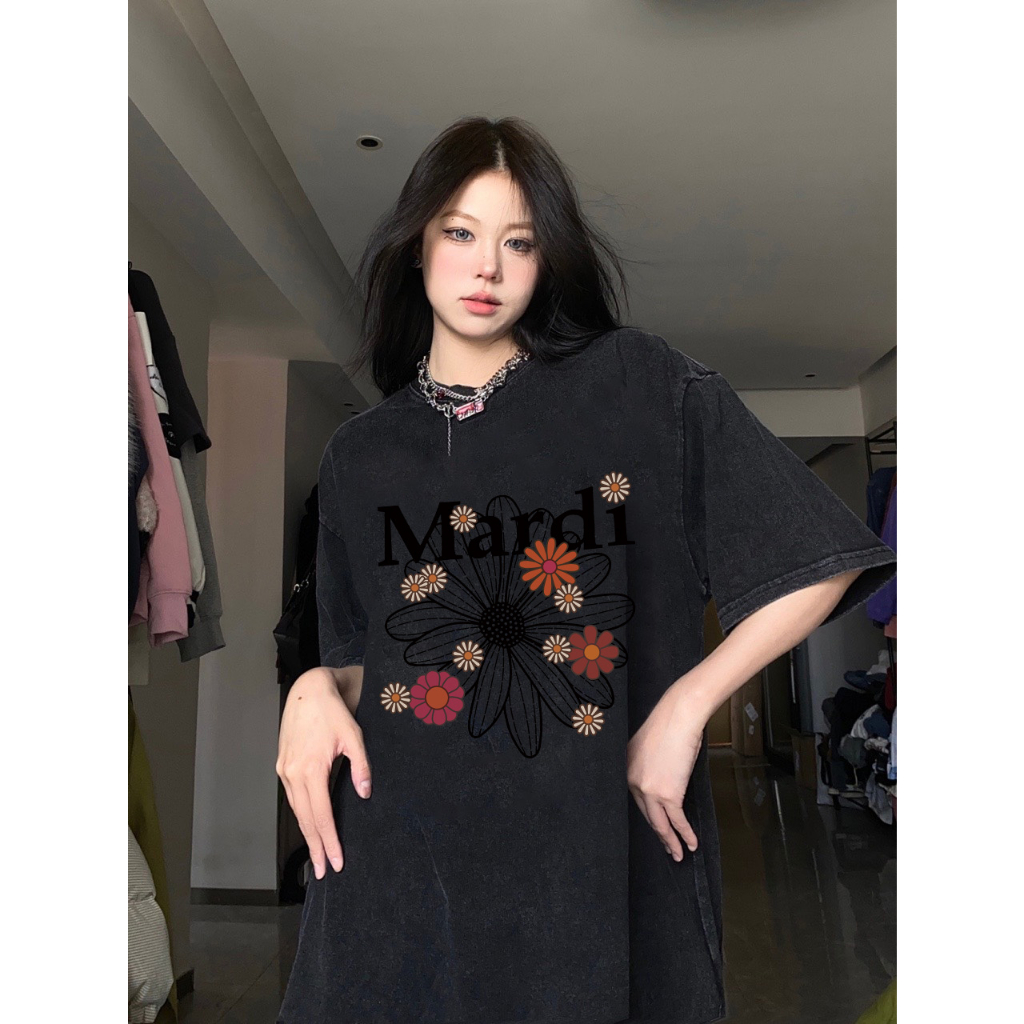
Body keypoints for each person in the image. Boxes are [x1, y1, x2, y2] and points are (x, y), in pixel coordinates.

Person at [275, 116, 896, 1024]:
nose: (487, 268)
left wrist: (684, 708)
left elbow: (818, 560)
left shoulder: (636, 388)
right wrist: (312, 688)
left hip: (597, 875)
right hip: (403, 881)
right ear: (417, 244)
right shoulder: (361, 457)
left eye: (518, 242)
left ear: (547, 259)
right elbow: (376, 665)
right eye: (460, 232)